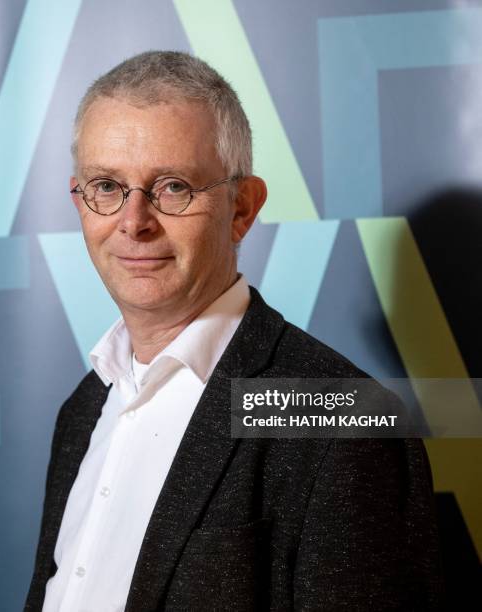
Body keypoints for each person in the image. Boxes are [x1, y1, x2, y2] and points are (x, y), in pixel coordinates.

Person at [25, 51, 443, 611]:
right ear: (80, 199)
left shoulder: (340, 422)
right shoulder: (81, 411)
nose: (134, 222)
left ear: (242, 208)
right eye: (107, 185)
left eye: (173, 187)